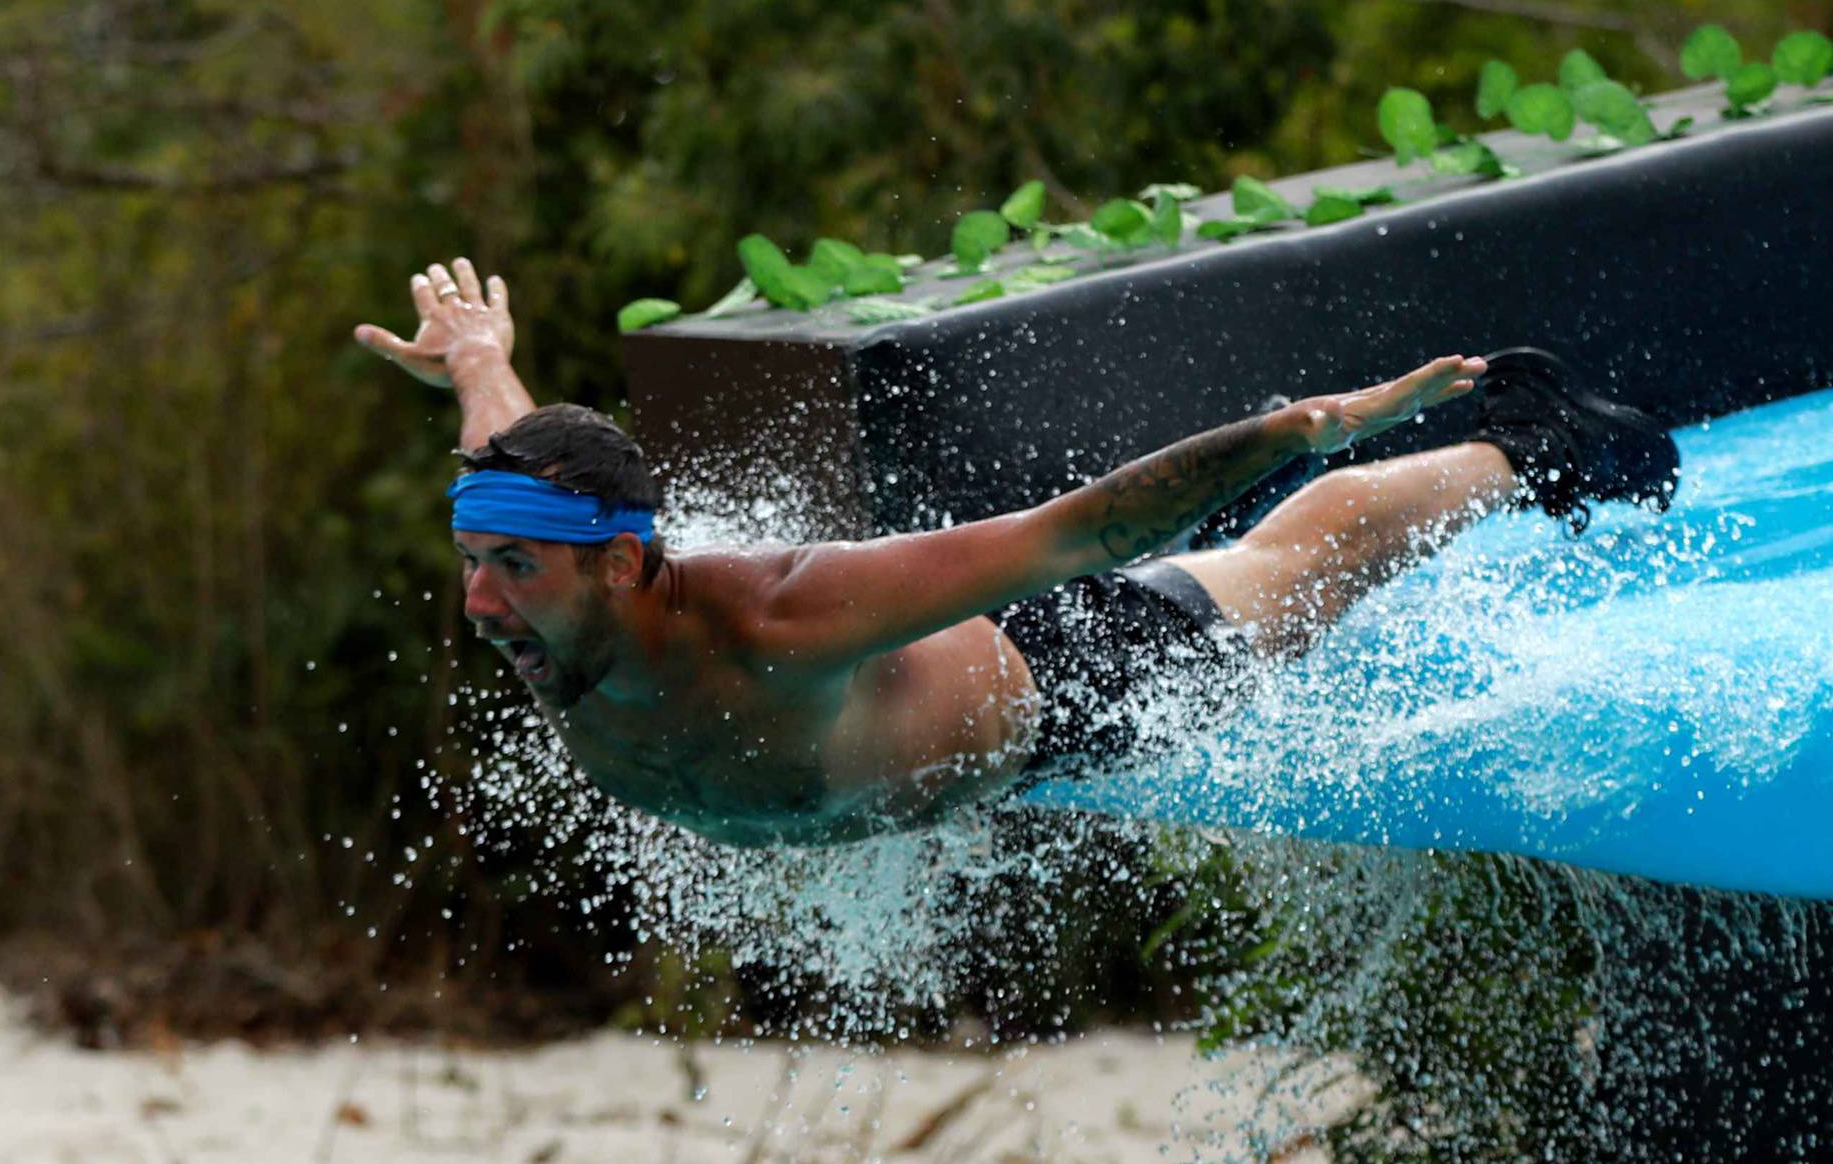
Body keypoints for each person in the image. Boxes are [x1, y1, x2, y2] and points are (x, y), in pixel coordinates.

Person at [356, 258, 1678, 847]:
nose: (479, 604)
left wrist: (1304, 429)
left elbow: (1075, 534)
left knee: (1296, 570)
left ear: (624, 564)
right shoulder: (561, 591)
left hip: (1074, 689)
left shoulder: (775, 619)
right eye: (472, 565)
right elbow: (518, 467)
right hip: (937, 768)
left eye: (511, 574)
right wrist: (480, 362)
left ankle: (1520, 444)